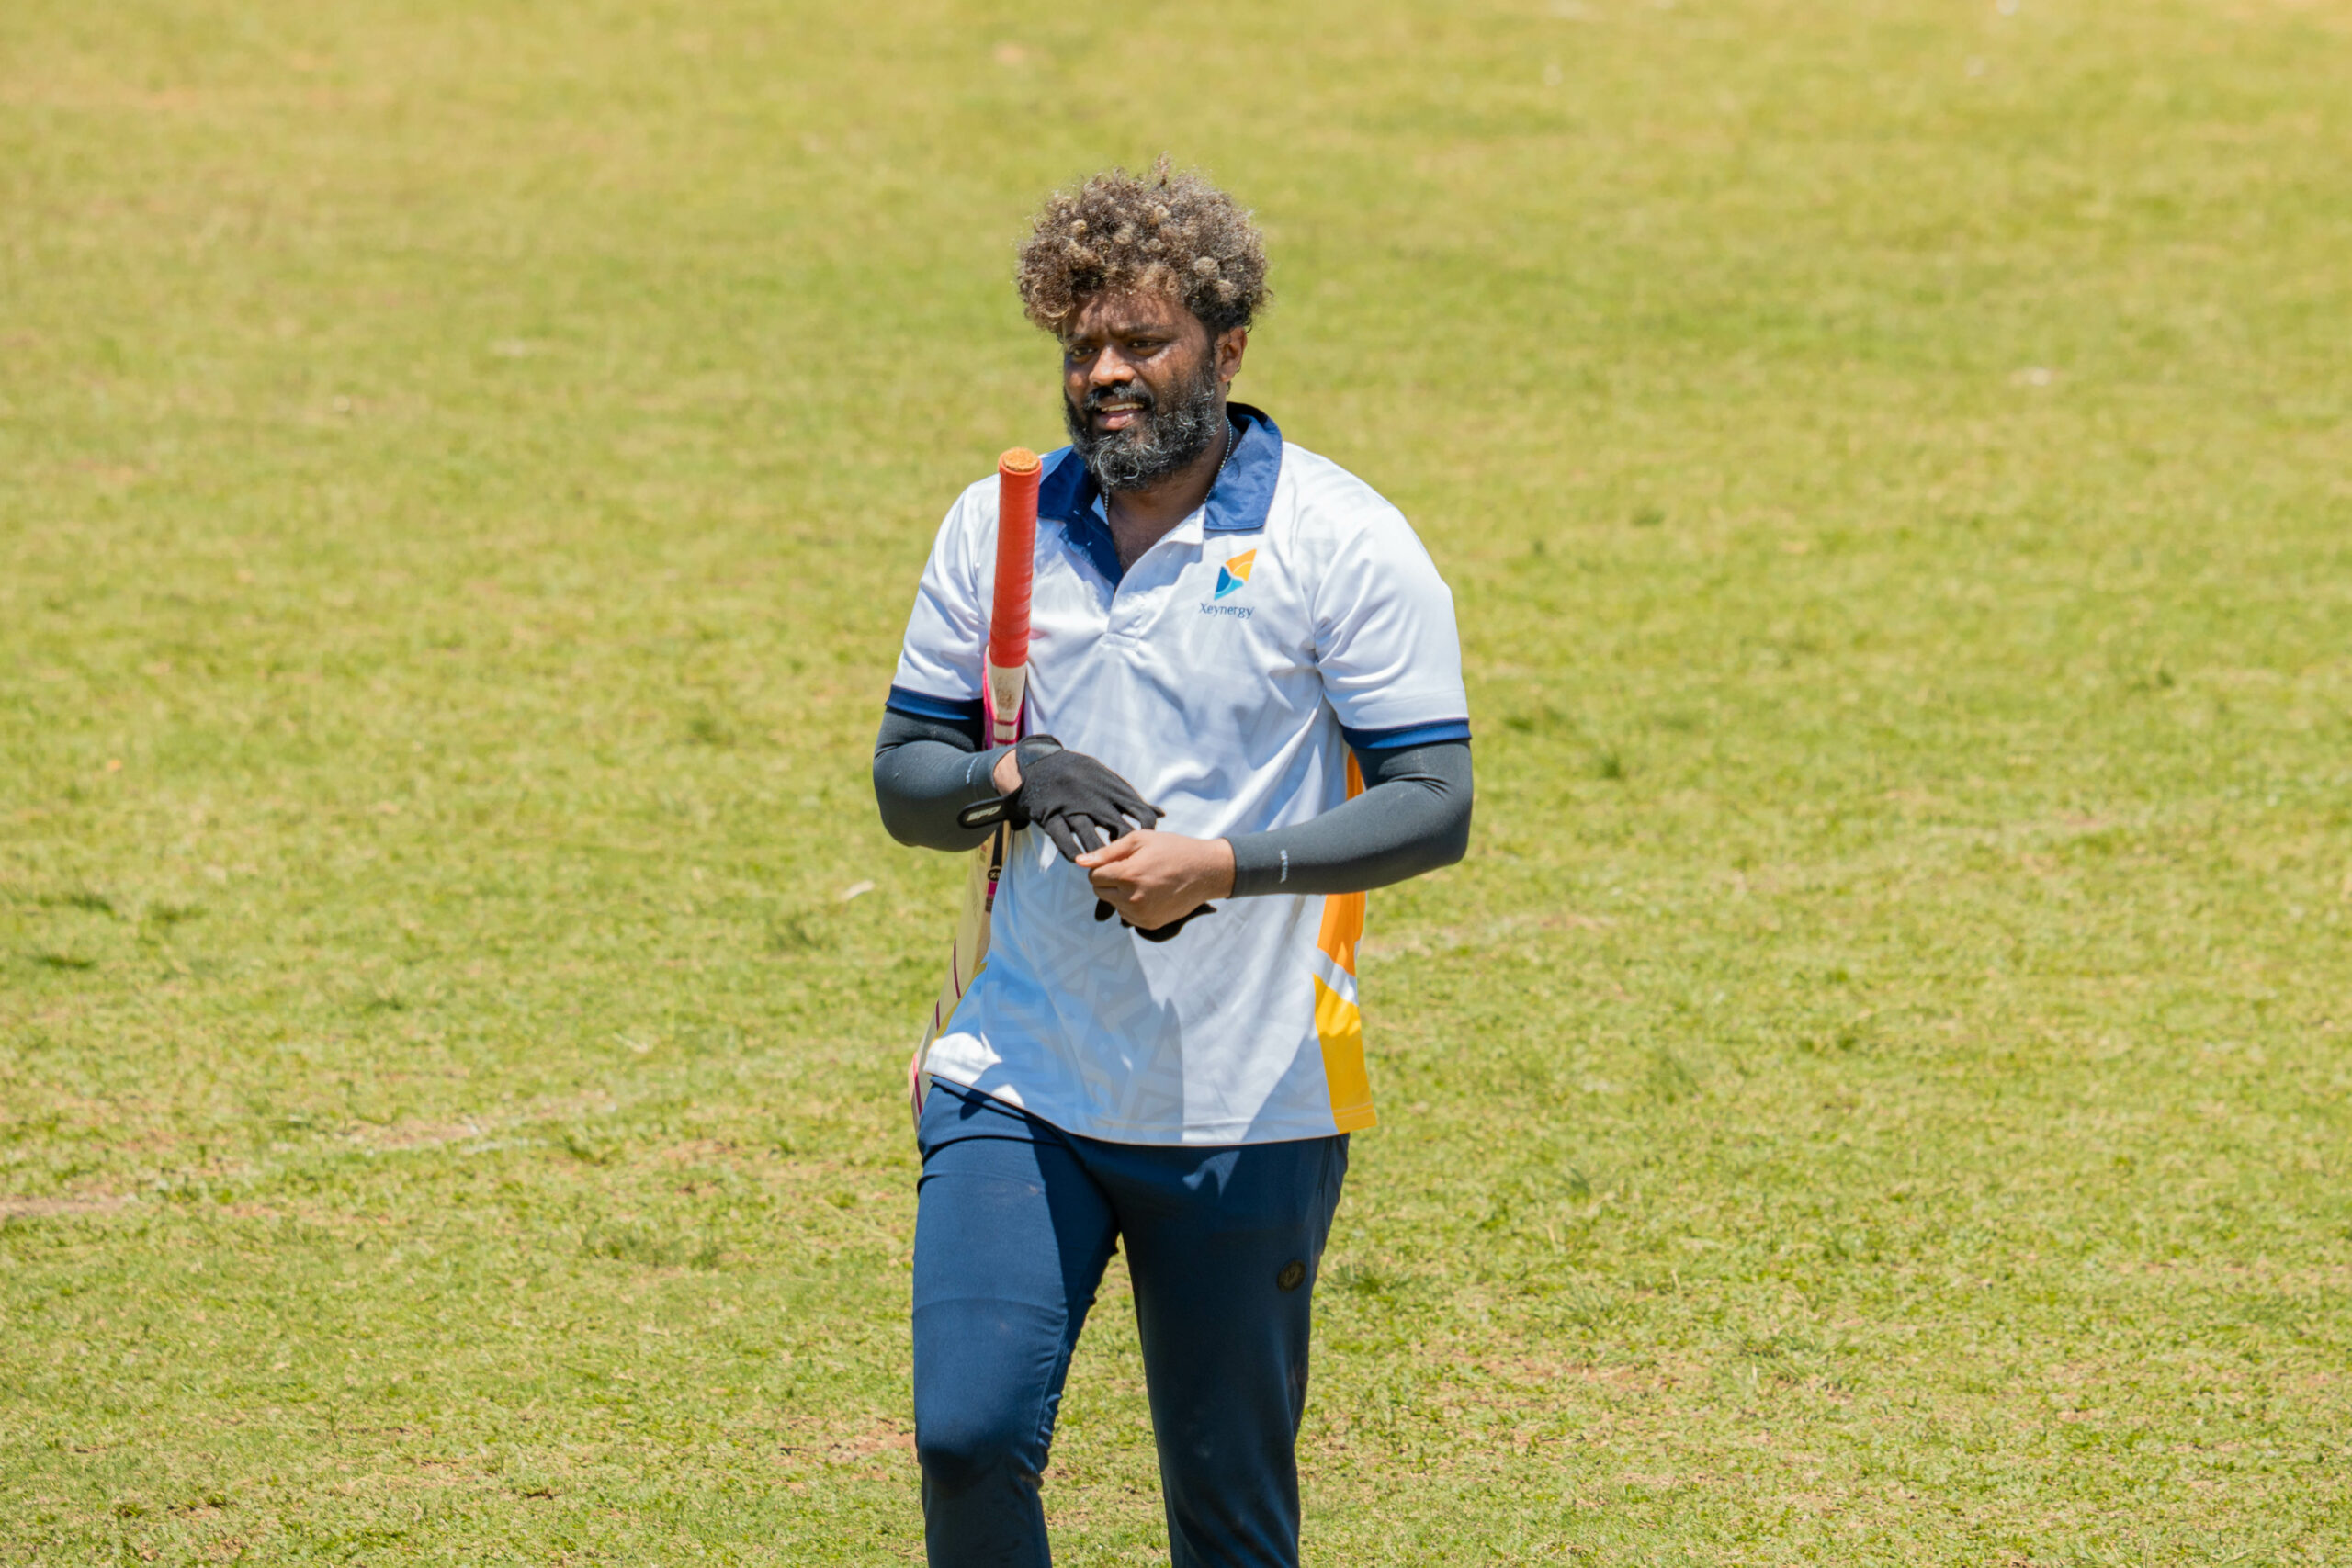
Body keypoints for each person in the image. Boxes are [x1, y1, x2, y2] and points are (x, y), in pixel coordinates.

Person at [872, 159, 1473, 1568]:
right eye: (1081, 345)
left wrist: (1225, 864)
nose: (1105, 374)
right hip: (1022, 1070)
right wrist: (1010, 774)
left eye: (1143, 342)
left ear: (1229, 349)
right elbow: (907, 782)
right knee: (967, 1437)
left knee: (1228, 1519)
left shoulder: (1340, 539)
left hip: (1251, 1097)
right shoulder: (1000, 526)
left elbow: (1434, 803)